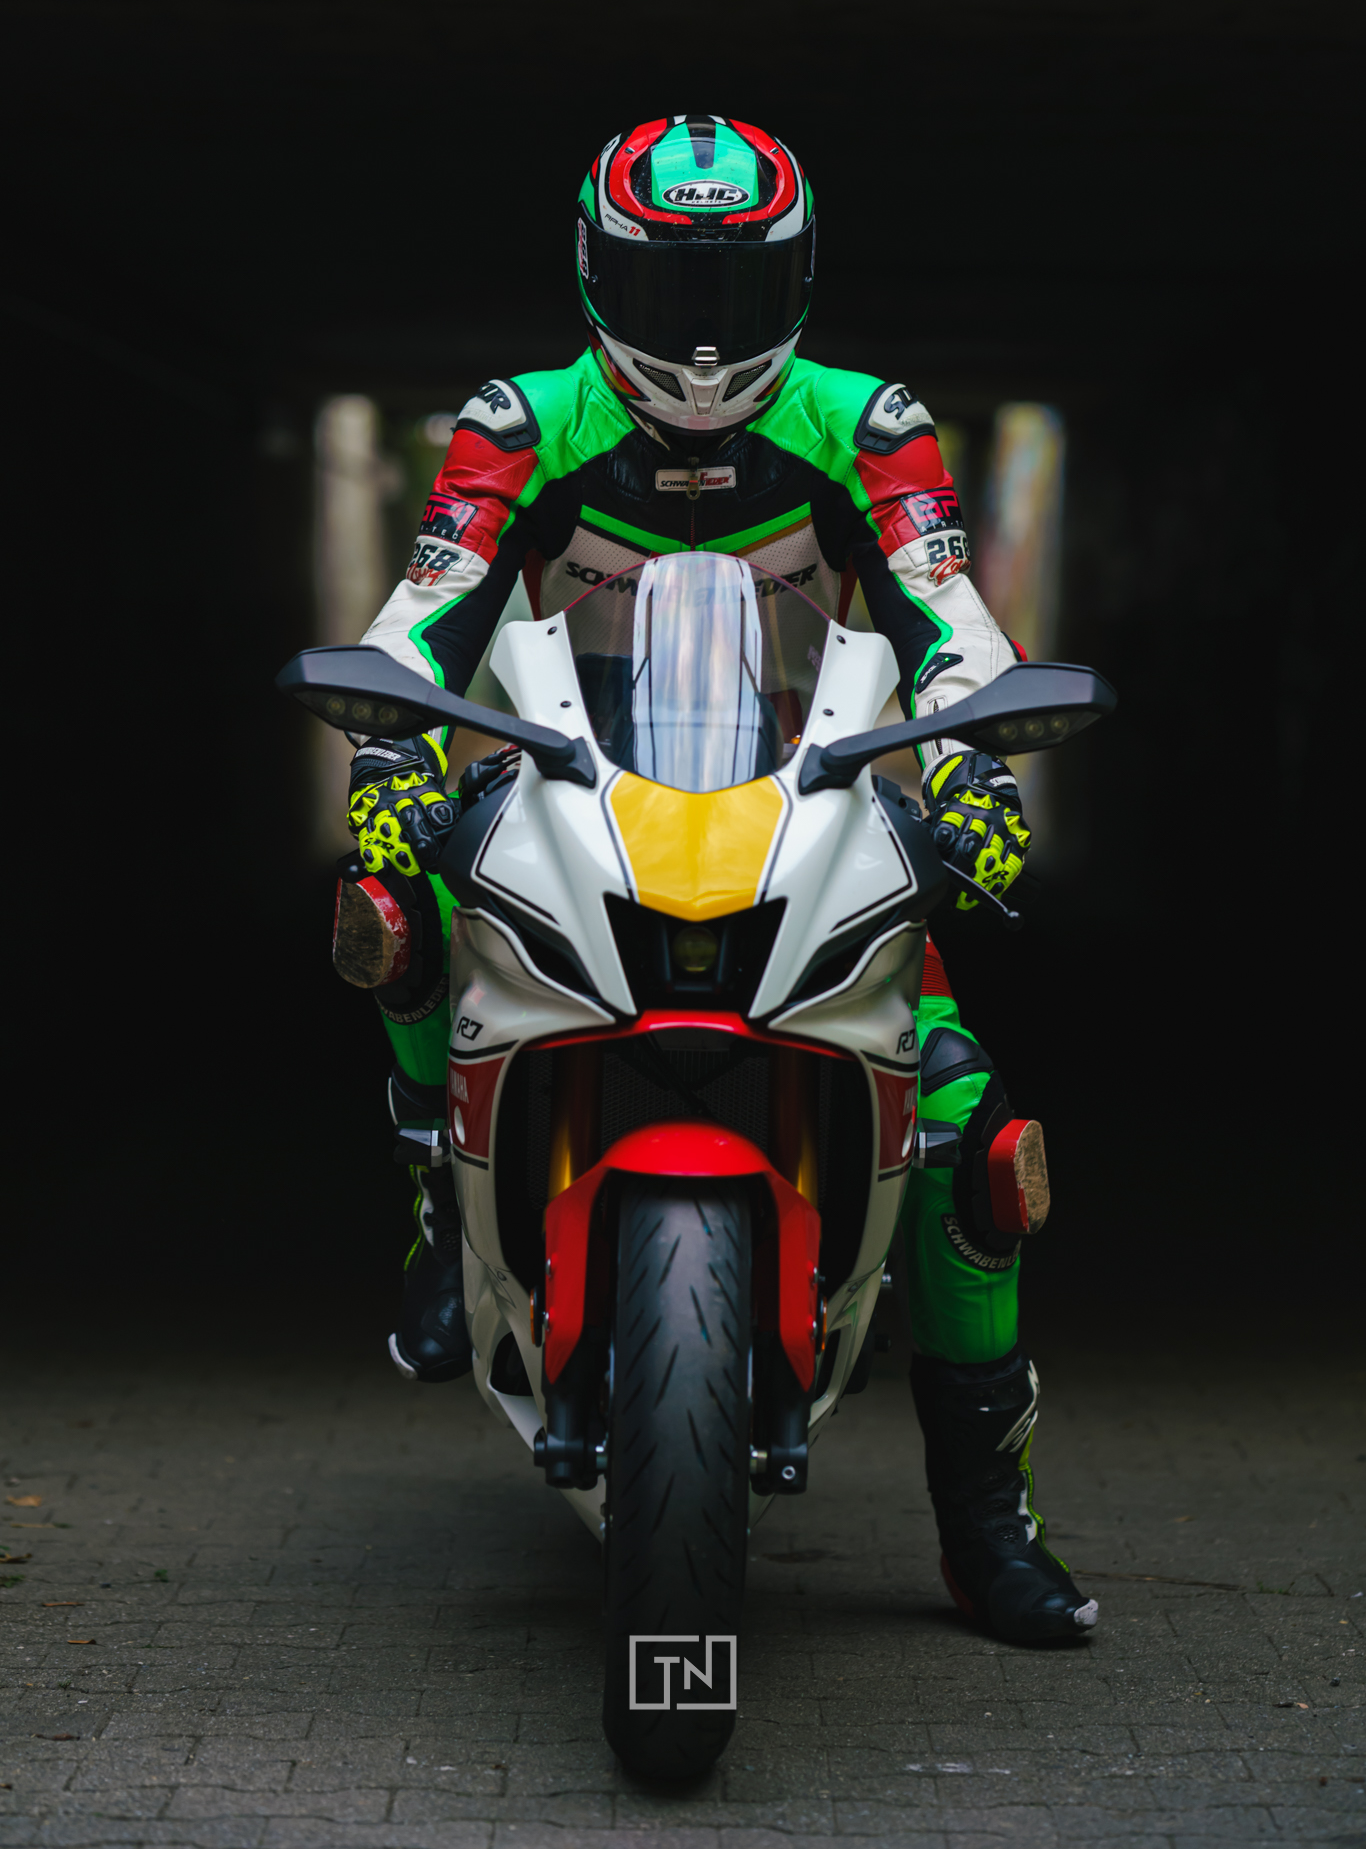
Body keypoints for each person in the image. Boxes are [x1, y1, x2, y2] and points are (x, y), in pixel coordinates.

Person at [343, 115, 1096, 1646]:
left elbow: (950, 617)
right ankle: (434, 1177)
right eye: (664, 284)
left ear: (798, 279)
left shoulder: (868, 424)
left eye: (735, 290)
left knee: (969, 1138)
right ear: (592, 269)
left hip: (808, 804)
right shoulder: (517, 423)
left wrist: (970, 762)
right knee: (396, 901)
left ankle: (988, 1532)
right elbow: (423, 611)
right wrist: (386, 749)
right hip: (561, 786)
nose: (700, 338)